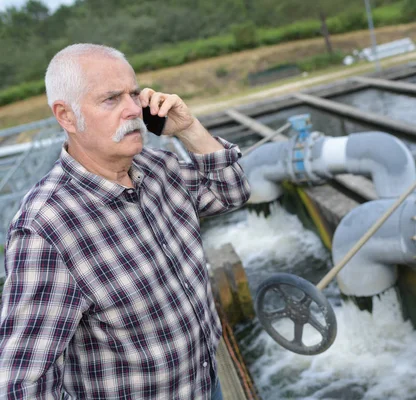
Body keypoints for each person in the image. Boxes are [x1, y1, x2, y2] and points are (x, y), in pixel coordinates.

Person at [0, 43, 250, 399]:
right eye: (111, 99)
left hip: (206, 383)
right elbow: (23, 382)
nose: (134, 110)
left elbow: (232, 192)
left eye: (135, 94)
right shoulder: (47, 228)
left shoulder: (158, 168)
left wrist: (189, 129)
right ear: (67, 116)